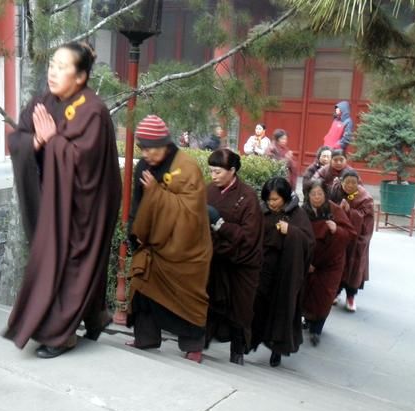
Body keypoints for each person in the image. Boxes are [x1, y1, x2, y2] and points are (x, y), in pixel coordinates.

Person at [4, 42, 121, 358]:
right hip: (50, 201)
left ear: (81, 76)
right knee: (69, 266)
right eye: (51, 65)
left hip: (85, 206)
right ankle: (95, 316)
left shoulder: (93, 110)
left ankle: (61, 334)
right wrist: (38, 141)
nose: (52, 72)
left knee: (72, 265)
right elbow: (18, 138)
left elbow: (84, 163)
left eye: (62, 67)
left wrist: (53, 141)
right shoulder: (43, 101)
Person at [127, 115, 212, 363]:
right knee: (142, 287)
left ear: (165, 144)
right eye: (142, 149)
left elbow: (191, 213)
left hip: (185, 249)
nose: (146, 155)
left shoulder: (186, 167)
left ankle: (193, 346)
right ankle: (146, 338)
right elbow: (137, 203)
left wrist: (156, 193)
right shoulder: (142, 167)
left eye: (150, 149)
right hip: (151, 244)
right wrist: (134, 231)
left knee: (187, 297)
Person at [206, 149, 263, 366]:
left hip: (242, 263)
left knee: (240, 308)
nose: (214, 176)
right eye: (211, 171)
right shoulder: (208, 191)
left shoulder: (247, 197)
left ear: (232, 170)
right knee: (209, 301)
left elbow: (250, 235)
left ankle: (237, 351)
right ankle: (199, 344)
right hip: (215, 257)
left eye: (218, 171)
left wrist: (221, 225)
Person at [250, 177, 314, 367]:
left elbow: (309, 242)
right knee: (257, 307)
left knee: (282, 309)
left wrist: (291, 231)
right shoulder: (262, 212)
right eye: (269, 200)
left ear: (285, 198)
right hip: (263, 270)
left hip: (286, 272)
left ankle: (277, 349)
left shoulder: (297, 215)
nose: (272, 204)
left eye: (276, 200)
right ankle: (250, 341)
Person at [301, 180, 356, 346]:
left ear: (325, 195)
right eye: (313, 194)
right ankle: (308, 319)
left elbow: (351, 234)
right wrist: (305, 262)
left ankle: (317, 329)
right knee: (307, 293)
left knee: (325, 295)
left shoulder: (334, 210)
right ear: (307, 196)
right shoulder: (303, 211)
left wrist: (336, 230)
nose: (317, 197)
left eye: (320, 194)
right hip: (309, 262)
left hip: (331, 263)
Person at [329, 170, 374, 312]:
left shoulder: (365, 198)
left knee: (353, 268)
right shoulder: (336, 190)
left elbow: (366, 220)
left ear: (358, 183)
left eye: (353, 183)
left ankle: (351, 297)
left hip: (356, 240)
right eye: (347, 182)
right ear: (341, 182)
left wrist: (349, 211)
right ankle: (335, 293)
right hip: (340, 237)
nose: (349, 185)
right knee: (337, 266)